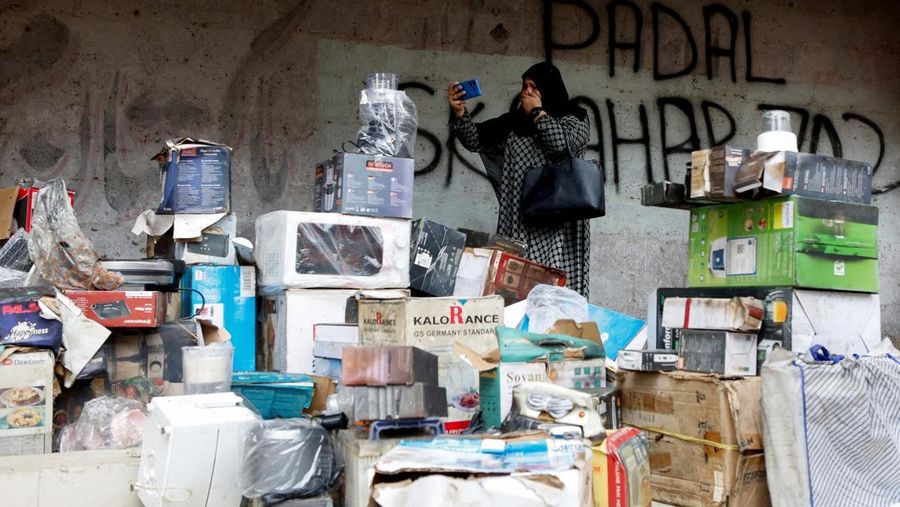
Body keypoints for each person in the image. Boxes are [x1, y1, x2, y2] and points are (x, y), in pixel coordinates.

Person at [448, 62, 592, 298]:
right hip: (521, 217)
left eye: (534, 87)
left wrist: (537, 112)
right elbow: (475, 140)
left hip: (560, 220)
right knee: (518, 286)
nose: (527, 92)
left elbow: (561, 146)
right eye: (524, 86)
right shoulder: (514, 122)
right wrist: (460, 113)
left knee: (556, 287)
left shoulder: (574, 117)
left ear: (549, 89)